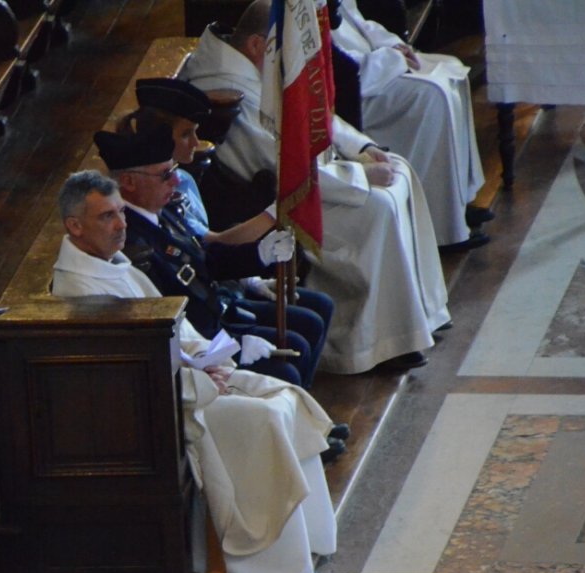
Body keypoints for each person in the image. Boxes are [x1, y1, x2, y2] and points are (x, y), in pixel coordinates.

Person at [51, 169, 337, 573]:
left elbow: (176, 329)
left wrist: (214, 359)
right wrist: (204, 380)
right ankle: (265, 561)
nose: (121, 224)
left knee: (285, 396)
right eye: (106, 217)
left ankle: (307, 540)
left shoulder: (115, 266)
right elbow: (129, 373)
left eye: (119, 213)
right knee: (265, 419)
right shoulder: (81, 289)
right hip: (167, 408)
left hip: (194, 382)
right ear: (74, 226)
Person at [180, 0, 451, 374]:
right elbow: (279, 167)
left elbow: (313, 109)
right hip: (283, 195)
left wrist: (362, 147)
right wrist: (359, 177)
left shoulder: (261, 60)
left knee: (399, 170)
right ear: (258, 45)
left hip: (318, 174)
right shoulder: (226, 86)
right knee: (378, 208)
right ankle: (371, 344)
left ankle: (421, 316)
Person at [121, 76, 336, 389]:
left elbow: (201, 253)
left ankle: (304, 421)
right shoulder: (137, 240)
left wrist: (258, 258)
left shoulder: (163, 205)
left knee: (308, 328)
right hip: (203, 332)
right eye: (164, 175)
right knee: (291, 362)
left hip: (214, 310)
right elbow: (187, 289)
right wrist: (227, 344)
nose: (174, 181)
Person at [331, 0, 489, 249]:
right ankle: (440, 229)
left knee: (453, 71)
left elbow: (359, 22)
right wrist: (392, 58)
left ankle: (457, 205)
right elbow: (341, 65)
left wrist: (393, 45)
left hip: (379, 65)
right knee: (433, 95)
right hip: (360, 90)